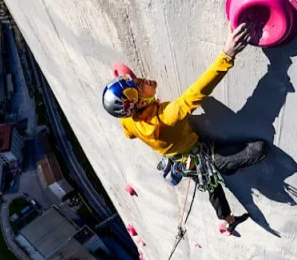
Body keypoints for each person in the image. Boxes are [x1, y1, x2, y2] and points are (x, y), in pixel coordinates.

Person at [102, 24, 268, 234]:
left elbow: (129, 133)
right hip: (200, 154)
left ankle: (227, 219)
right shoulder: (168, 117)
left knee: (210, 183)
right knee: (258, 150)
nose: (143, 79)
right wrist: (228, 53)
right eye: (138, 84)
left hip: (182, 161)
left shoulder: (129, 121)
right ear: (141, 103)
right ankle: (227, 168)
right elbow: (198, 91)